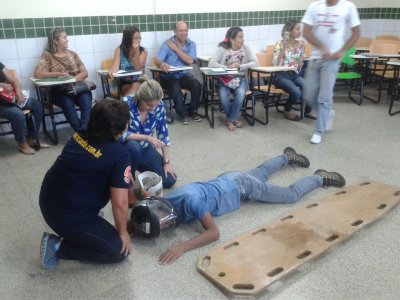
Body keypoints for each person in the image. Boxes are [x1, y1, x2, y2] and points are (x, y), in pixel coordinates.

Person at [149, 147, 345, 264]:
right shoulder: (163, 201)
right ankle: (287, 156)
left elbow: (214, 233)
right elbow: (142, 205)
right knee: (261, 172)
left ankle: (320, 177)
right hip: (229, 179)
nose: (166, 224)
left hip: (241, 187)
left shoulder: (191, 202)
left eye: (164, 222)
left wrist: (183, 247)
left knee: (290, 195)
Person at [39, 99, 137, 269]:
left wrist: (122, 177)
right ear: (122, 127)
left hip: (49, 199)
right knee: (118, 252)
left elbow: (88, 167)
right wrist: (123, 232)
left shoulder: (81, 133)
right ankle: (57, 248)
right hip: (69, 217)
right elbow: (120, 203)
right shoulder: (120, 155)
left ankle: (86, 225)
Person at [302, 0, 360, 144]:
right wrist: (321, 47)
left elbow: (356, 32)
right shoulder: (315, 6)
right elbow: (306, 31)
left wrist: (342, 51)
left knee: (324, 98)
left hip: (332, 60)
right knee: (308, 94)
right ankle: (327, 113)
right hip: (316, 57)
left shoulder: (348, 7)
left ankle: (318, 131)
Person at [122, 76, 177, 189]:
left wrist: (167, 162)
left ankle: (137, 178)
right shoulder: (126, 104)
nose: (153, 108)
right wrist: (146, 137)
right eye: (149, 105)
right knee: (134, 146)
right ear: (140, 98)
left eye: (155, 105)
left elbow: (163, 135)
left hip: (145, 149)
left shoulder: (159, 106)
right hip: (127, 150)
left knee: (169, 179)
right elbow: (120, 134)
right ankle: (128, 178)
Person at [34, 27, 93, 132]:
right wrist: (59, 74)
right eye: (64, 37)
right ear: (56, 41)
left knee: (86, 98)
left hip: (77, 87)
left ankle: (84, 131)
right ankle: (83, 134)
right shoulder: (47, 56)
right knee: (67, 103)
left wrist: (71, 79)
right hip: (59, 91)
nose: (67, 39)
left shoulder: (73, 54)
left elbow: (84, 72)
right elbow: (38, 74)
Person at [209, 27, 258, 131]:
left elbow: (256, 62)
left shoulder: (245, 48)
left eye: (242, 37)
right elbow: (211, 63)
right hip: (224, 80)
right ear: (232, 39)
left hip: (240, 79)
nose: (243, 39)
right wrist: (226, 67)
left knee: (240, 94)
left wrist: (240, 66)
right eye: (240, 37)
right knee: (223, 97)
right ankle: (234, 119)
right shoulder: (222, 48)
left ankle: (230, 119)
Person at [156, 21, 202, 125]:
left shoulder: (191, 44)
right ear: (175, 31)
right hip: (168, 76)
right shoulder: (167, 43)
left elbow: (190, 60)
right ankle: (183, 114)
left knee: (196, 84)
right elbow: (158, 60)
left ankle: (193, 110)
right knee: (175, 85)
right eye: (181, 30)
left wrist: (176, 49)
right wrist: (162, 64)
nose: (184, 33)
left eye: (185, 30)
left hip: (183, 75)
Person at [0, 62, 49, 154]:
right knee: (18, 114)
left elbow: (14, 80)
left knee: (37, 105)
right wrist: (1, 84)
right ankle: (22, 144)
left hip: (10, 97)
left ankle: (31, 138)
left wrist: (18, 93)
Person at [272, 20, 315, 121]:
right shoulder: (279, 43)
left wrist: (301, 61)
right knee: (296, 92)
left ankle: (308, 111)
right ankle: (287, 110)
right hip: (280, 75)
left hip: (294, 74)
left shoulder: (302, 44)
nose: (300, 31)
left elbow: (299, 64)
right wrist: (284, 48)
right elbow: (275, 63)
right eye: (297, 29)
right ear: (289, 31)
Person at [108, 25, 148, 97]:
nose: (138, 40)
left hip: (140, 81)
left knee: (135, 86)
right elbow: (115, 66)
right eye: (135, 38)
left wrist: (136, 51)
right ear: (128, 39)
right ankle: (125, 105)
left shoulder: (143, 51)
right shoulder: (119, 50)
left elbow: (137, 68)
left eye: (140, 38)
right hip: (125, 82)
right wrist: (111, 70)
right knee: (134, 89)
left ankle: (123, 105)